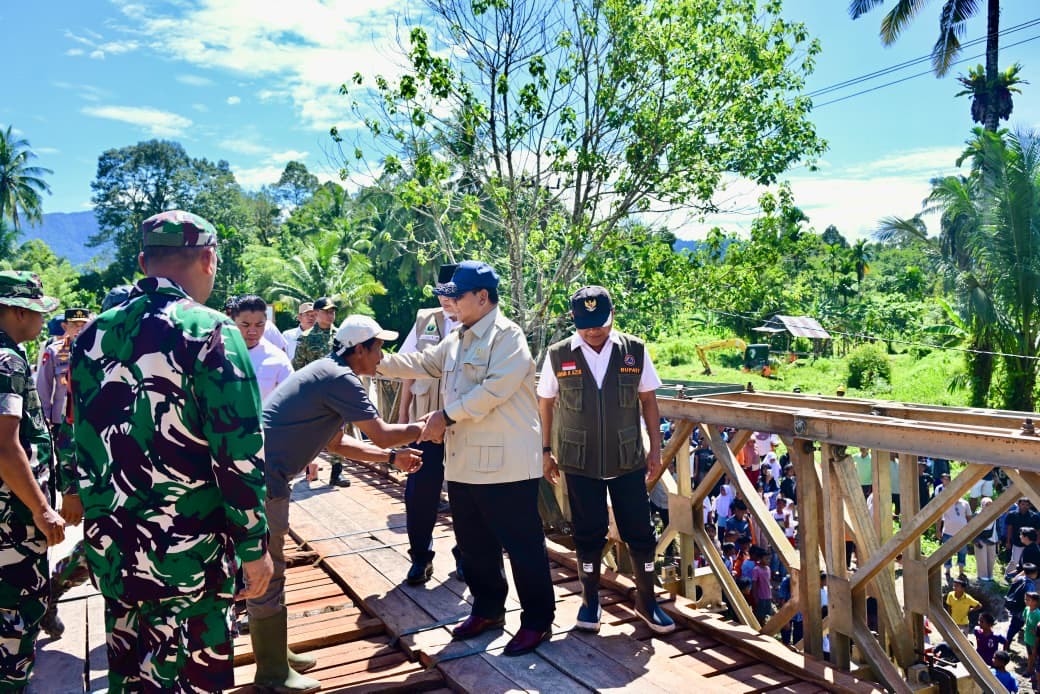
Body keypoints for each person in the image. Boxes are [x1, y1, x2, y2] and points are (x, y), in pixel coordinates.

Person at [70, 210, 273, 691]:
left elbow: (80, 443)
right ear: (208, 258)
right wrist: (253, 548)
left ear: (143, 262)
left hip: (116, 554)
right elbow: (238, 456)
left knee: (131, 677)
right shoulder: (211, 332)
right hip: (187, 561)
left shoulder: (91, 337)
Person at [377, 260, 555, 657]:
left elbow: (493, 391)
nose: (450, 302)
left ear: (482, 297)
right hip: (464, 463)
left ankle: (538, 621)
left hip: (506, 464)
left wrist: (445, 416)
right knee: (474, 545)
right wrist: (374, 360)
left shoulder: (507, 337)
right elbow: (423, 364)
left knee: (523, 546)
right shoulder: (457, 338)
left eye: (457, 296)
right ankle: (488, 609)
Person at [255, 313, 424, 691]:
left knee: (274, 569)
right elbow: (381, 435)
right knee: (269, 572)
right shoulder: (341, 379)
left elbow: (334, 443)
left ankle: (276, 654)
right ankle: (271, 673)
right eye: (379, 347)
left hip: (266, 474)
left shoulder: (328, 372)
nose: (383, 355)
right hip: (264, 480)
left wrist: (392, 459)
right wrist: (424, 427)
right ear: (359, 349)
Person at [538, 286, 675, 635]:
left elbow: (649, 401)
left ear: (612, 315)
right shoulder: (558, 355)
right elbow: (546, 403)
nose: (593, 331)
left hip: (627, 457)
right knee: (588, 534)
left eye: (599, 322)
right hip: (578, 460)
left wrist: (656, 451)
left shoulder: (635, 351)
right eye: (586, 325)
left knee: (640, 533)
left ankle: (647, 601)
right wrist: (545, 451)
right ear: (574, 321)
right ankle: (590, 601)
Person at [0, 271, 66, 686]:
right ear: (17, 311)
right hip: (11, 520)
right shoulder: (6, 361)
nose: (43, 320)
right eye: (38, 311)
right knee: (16, 615)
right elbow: (5, 446)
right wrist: (41, 510)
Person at [396, 263, 463, 586]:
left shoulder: (480, 326)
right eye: (442, 295)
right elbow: (409, 368)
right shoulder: (426, 321)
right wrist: (401, 416)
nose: (446, 302)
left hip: (465, 426)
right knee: (419, 493)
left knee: (467, 495)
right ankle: (420, 557)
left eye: (452, 296)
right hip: (424, 425)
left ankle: (466, 556)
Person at [231, 294, 294, 402]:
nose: (252, 331)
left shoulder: (277, 358)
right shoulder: (217, 351)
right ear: (232, 322)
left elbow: (292, 397)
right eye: (245, 325)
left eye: (259, 325)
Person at [939, 493, 971, 579]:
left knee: (962, 552)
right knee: (947, 552)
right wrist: (938, 530)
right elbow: (940, 518)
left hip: (962, 533)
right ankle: (947, 571)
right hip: (948, 532)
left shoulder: (965, 503)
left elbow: (969, 517)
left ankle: (961, 571)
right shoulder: (946, 503)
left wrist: (969, 530)